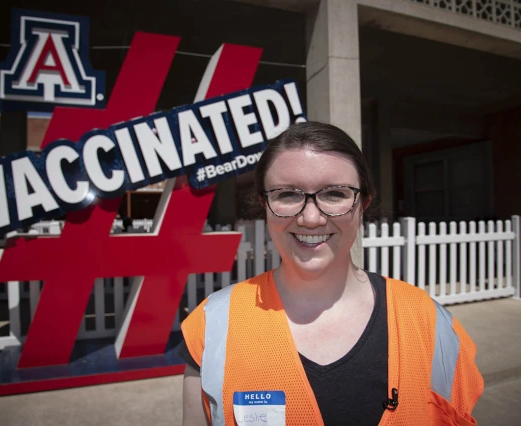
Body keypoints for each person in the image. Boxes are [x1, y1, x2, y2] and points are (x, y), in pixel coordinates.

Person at [178, 121, 483, 426]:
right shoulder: (213, 325)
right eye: (287, 194)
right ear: (264, 205)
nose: (311, 218)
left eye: (334, 194)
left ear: (363, 203)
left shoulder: (430, 323)